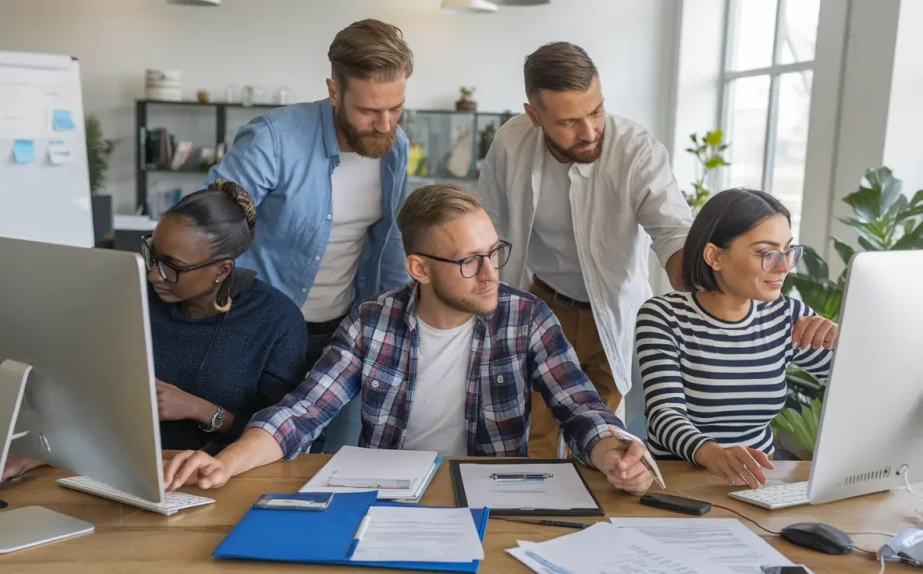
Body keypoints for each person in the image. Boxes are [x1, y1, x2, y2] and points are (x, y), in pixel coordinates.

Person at [162, 184, 654, 496]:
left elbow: (580, 407)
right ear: (419, 268)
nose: (490, 274)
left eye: (493, 253)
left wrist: (615, 454)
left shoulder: (526, 317)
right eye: (469, 261)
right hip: (389, 494)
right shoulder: (372, 320)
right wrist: (224, 463)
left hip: (491, 496)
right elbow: (302, 412)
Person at [0, 180, 307, 488]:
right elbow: (81, 397)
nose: (153, 275)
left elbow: (289, 436)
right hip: (116, 475)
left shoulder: (275, 322)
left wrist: (199, 409)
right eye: (152, 254)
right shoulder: (130, 298)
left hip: (225, 482)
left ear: (221, 269)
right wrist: (32, 454)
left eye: (172, 268)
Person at [476, 42, 693, 457]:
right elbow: (488, 228)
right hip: (541, 307)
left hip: (612, 313)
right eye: (569, 121)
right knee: (531, 436)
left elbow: (673, 231)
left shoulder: (637, 150)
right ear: (534, 115)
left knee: (602, 443)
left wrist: (697, 282)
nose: (590, 131)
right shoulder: (510, 143)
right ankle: (527, 520)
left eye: (596, 112)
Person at [202, 19, 414, 380]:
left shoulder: (396, 150)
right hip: (257, 330)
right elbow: (206, 229)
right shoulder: (274, 140)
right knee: (254, 433)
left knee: (337, 437)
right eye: (369, 111)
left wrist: (395, 323)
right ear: (334, 91)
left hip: (343, 331)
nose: (385, 125)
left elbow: (391, 240)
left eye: (395, 108)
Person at [636, 188, 836, 490]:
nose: (783, 267)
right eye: (766, 253)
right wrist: (711, 453)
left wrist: (842, 343)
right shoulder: (663, 316)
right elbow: (664, 415)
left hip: (761, 482)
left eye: (787, 251)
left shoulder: (787, 315)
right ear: (714, 256)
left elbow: (852, 386)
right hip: (680, 482)